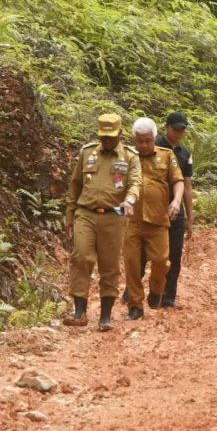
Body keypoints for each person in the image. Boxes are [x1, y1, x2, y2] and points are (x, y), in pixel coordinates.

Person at [63, 113, 142, 331]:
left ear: (120, 134)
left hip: (114, 216)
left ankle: (105, 317)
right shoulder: (87, 153)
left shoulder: (130, 157)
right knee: (81, 257)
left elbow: (136, 183)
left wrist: (129, 199)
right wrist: (69, 215)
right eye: (103, 137)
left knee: (110, 266)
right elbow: (75, 185)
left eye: (111, 136)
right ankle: (79, 311)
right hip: (85, 213)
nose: (107, 140)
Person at [123, 118, 184, 320]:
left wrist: (176, 201)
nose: (143, 145)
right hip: (133, 221)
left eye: (148, 141)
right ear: (134, 140)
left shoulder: (167, 156)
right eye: (139, 141)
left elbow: (178, 181)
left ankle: (157, 288)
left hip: (158, 222)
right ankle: (135, 306)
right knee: (132, 264)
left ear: (155, 138)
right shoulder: (126, 158)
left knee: (161, 261)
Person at [154, 111, 194, 308]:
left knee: (174, 254)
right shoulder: (153, 146)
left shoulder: (184, 154)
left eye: (182, 130)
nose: (178, 133)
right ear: (167, 127)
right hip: (153, 207)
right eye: (175, 129)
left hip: (176, 210)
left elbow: (187, 186)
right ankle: (133, 292)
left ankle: (169, 295)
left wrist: (190, 218)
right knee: (147, 252)